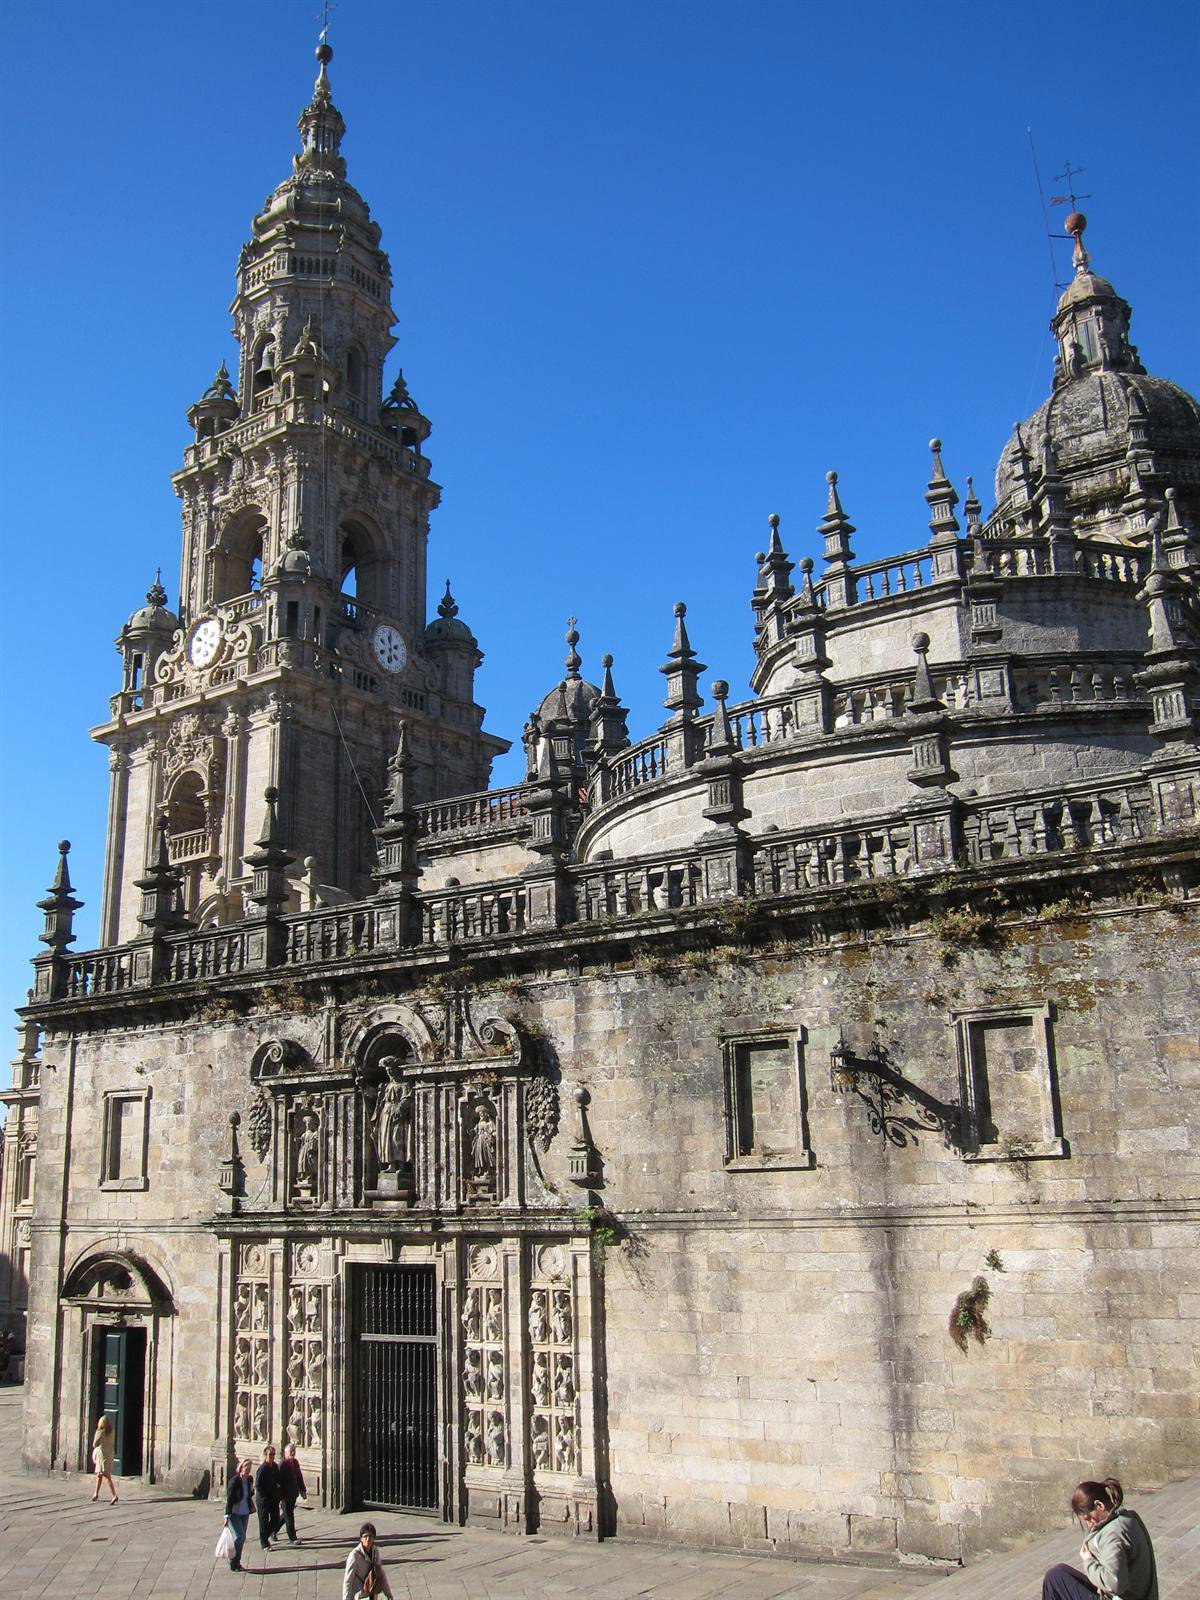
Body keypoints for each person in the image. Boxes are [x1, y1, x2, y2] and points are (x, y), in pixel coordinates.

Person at [1042, 1477, 1159, 1600]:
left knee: (1054, 1580)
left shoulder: (1113, 1534)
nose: (1089, 1525)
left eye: (1088, 1519)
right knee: (1059, 1573)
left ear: (1099, 1505)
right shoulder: (1129, 1518)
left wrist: (1089, 1561)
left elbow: (1115, 1583)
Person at [342, 1522, 395, 1599]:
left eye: (370, 1536)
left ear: (374, 1539)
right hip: (359, 1595)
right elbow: (348, 1580)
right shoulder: (354, 1555)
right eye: (365, 1536)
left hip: (372, 1591)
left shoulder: (375, 1551)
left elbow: (380, 1573)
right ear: (361, 1538)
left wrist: (388, 1593)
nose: (368, 1539)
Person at [223, 1457, 254, 1573]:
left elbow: (249, 1494)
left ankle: (237, 1562)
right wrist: (227, 1515)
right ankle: (232, 1559)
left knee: (242, 1538)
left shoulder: (249, 1479)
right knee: (240, 1536)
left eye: (250, 1467)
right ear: (241, 1468)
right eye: (246, 1467)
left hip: (245, 1512)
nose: (248, 1469)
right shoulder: (235, 1481)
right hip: (235, 1512)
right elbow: (230, 1498)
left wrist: (251, 1490)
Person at [254, 1443, 283, 1549]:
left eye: (273, 1454)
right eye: (270, 1454)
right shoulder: (262, 1469)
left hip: (273, 1499)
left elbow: (278, 1480)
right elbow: (258, 1485)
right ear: (265, 1455)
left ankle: (265, 1536)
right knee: (263, 1521)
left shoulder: (275, 1466)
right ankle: (264, 1543)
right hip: (264, 1500)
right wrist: (265, 1495)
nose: (272, 1457)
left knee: (275, 1519)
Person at [279, 1441, 307, 1546]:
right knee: (289, 1516)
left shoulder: (295, 1462)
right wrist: (280, 1496)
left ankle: (273, 1530)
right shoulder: (282, 1464)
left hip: (293, 1493)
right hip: (285, 1495)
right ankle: (292, 1538)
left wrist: (302, 1490)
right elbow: (279, 1481)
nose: (293, 1453)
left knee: (286, 1515)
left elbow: (299, 1476)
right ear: (285, 1452)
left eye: (294, 1451)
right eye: (291, 1451)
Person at [90, 1414, 118, 1505]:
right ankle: (96, 1494)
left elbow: (95, 1444)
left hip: (102, 1456)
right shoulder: (112, 1431)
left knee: (106, 1476)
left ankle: (114, 1495)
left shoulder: (101, 1432)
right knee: (99, 1475)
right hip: (109, 1454)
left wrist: (97, 1433)